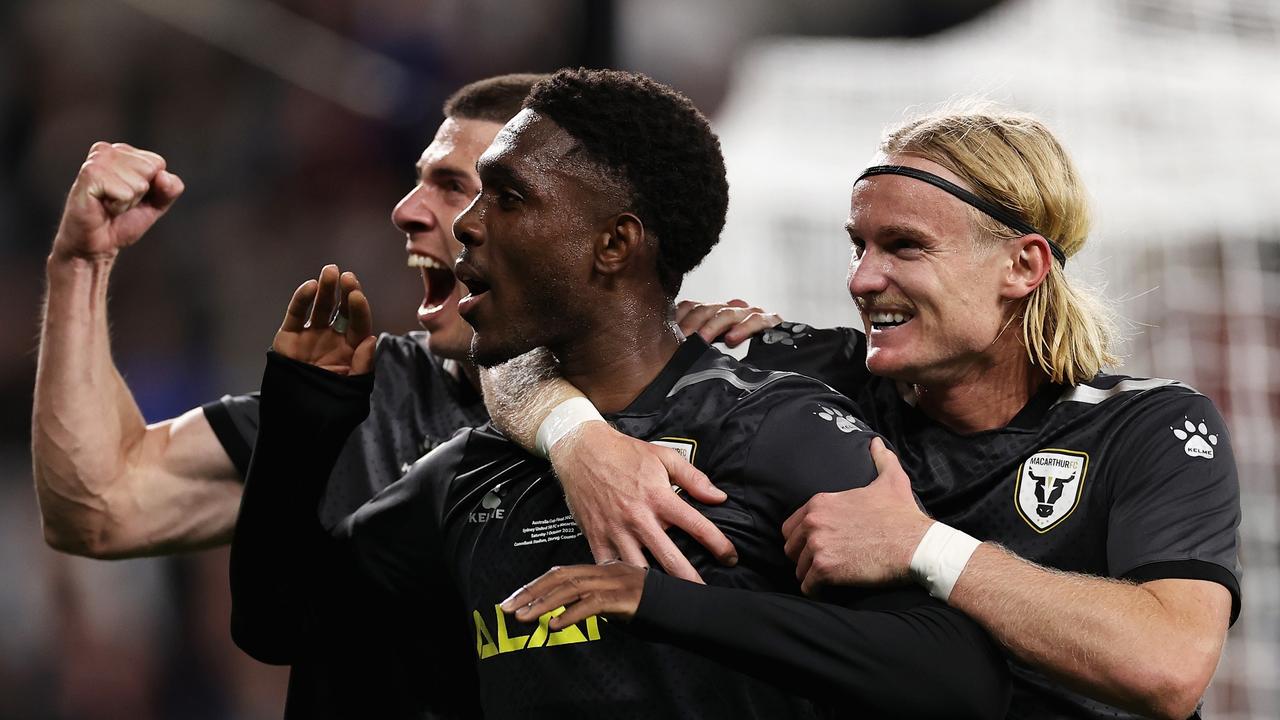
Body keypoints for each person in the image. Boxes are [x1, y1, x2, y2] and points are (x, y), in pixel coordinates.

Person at [231, 68, 1009, 719]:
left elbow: (959, 677)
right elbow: (284, 623)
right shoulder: (473, 469)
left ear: (613, 244)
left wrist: (659, 602)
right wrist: (306, 415)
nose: (464, 225)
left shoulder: (771, 425)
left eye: (506, 197)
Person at [31, 72, 746, 719]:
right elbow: (99, 507)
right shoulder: (358, 398)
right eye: (420, 182)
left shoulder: (713, 397)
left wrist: (867, 513)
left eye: (463, 187)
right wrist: (81, 262)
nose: (408, 210)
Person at [498, 105, 1241, 720]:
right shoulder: (798, 371)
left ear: (1023, 265)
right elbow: (513, 353)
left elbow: (1169, 668)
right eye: (859, 246)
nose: (862, 278)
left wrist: (921, 546)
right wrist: (578, 439)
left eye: (904, 247)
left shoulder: (1149, 427)